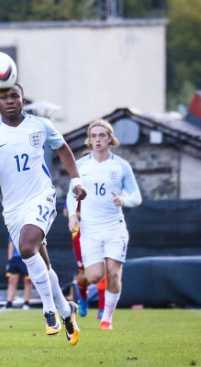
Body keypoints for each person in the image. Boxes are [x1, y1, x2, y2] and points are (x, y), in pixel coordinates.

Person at [0, 84, 85, 346]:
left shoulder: (40, 125)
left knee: (26, 246)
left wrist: (77, 180)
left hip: (41, 196)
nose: (10, 101)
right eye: (4, 98)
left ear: (22, 100)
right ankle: (67, 311)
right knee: (43, 263)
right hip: (12, 209)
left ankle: (48, 310)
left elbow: (63, 148)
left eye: (14, 96)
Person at [66, 119, 142, 330]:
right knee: (95, 276)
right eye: (94, 136)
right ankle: (81, 291)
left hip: (114, 227)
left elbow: (136, 196)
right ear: (89, 140)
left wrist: (123, 200)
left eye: (102, 135)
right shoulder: (80, 166)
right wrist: (73, 215)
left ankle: (106, 318)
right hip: (90, 229)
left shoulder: (121, 166)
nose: (98, 139)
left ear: (110, 138)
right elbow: (72, 195)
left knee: (113, 273)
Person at [5, 236, 33, 310]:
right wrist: (10, 260)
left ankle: (26, 302)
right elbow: (11, 244)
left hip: (28, 257)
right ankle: (9, 303)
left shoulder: (31, 228)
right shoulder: (13, 228)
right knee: (12, 279)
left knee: (27, 281)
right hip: (15, 259)